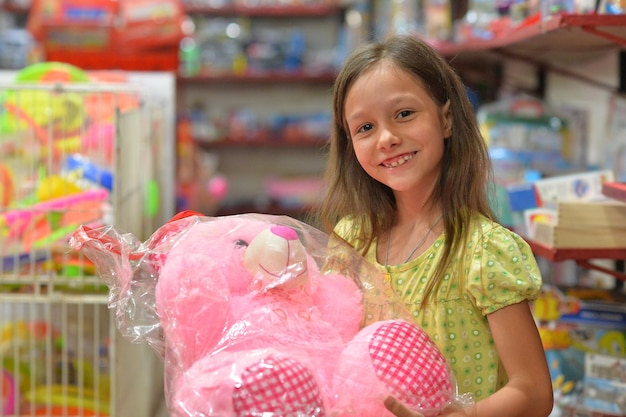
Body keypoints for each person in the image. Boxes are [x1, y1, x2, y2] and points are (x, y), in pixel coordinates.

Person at [313, 35, 554, 417]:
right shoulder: (352, 241)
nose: (388, 138)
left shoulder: (484, 250)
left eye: (404, 114)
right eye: (365, 128)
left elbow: (533, 393)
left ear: (446, 119)